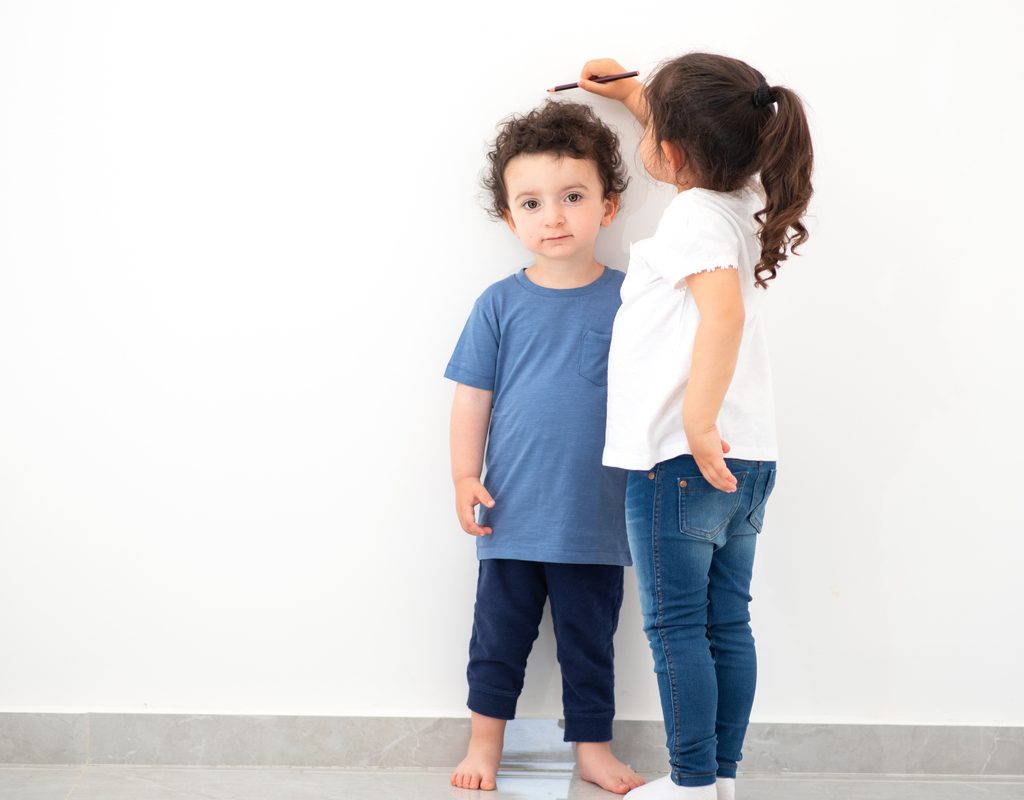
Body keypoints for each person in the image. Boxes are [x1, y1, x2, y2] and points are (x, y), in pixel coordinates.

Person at [578, 54, 814, 800]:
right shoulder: (740, 195)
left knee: (677, 629)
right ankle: (718, 782)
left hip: (684, 458)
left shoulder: (688, 216)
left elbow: (723, 313)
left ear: (676, 153)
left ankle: (686, 787)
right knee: (725, 625)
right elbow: (692, 134)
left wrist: (697, 421)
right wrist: (631, 95)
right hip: (747, 461)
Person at [445, 99, 644, 795]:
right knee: (497, 644)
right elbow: (473, 396)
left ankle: (591, 749)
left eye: (572, 197)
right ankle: (483, 745)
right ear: (510, 217)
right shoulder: (499, 304)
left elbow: (661, 387)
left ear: (608, 207)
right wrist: (465, 476)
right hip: (512, 515)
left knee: (591, 649)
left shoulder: (631, 300)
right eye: (531, 202)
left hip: (596, 518)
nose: (553, 216)